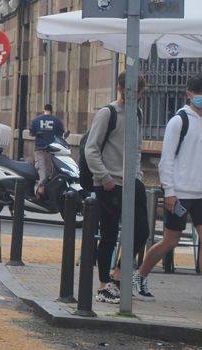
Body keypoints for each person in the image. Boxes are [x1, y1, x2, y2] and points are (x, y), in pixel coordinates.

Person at [133, 75, 202, 306]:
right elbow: (166, 159)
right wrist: (169, 191)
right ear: (188, 93)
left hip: (201, 194)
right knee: (170, 240)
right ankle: (139, 276)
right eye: (199, 91)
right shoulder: (178, 121)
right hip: (179, 192)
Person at [84, 72, 151, 304]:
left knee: (142, 230)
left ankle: (118, 275)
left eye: (136, 92)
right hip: (109, 183)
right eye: (127, 90)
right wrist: (104, 178)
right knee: (110, 234)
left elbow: (136, 148)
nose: (131, 95)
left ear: (141, 93)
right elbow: (91, 149)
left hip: (133, 181)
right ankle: (103, 285)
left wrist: (138, 176)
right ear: (119, 87)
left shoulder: (137, 113)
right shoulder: (108, 113)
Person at [29, 103, 65, 198]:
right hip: (52, 150)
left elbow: (32, 133)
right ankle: (45, 191)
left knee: (41, 170)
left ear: (43, 109)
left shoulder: (36, 120)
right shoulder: (57, 121)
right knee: (50, 172)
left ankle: (39, 192)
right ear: (52, 111)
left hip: (40, 149)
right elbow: (61, 135)